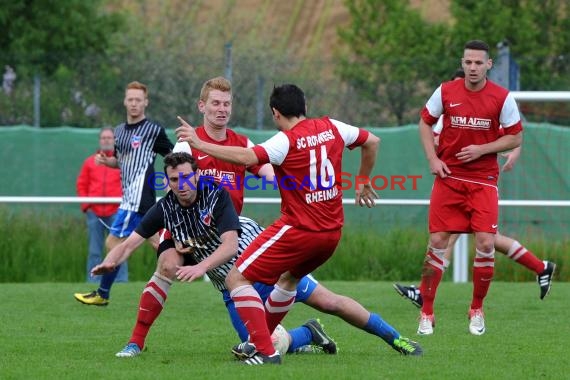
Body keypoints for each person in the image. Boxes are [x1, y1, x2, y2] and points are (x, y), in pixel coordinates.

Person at [91, 153, 422, 361]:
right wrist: (113, 261)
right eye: (174, 179)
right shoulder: (165, 208)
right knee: (265, 345)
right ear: (169, 181)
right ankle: (309, 334)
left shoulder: (215, 196)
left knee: (330, 302)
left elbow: (230, 247)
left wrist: (201, 267)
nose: (181, 184)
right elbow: (130, 241)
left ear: (196, 175)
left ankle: (397, 339)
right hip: (234, 289)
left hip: (269, 267)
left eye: (187, 177)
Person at [176, 84, 417, 365]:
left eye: (225, 103)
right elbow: (372, 140)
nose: (222, 109)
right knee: (307, 292)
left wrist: (202, 145)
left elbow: (252, 160)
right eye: (216, 103)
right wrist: (362, 179)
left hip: (294, 235)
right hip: (330, 234)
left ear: (276, 113)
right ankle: (396, 339)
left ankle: (266, 353)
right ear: (305, 107)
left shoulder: (282, 141)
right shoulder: (333, 127)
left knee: (237, 281)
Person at [394, 69, 555, 307]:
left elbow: (510, 136)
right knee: (474, 240)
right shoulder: (445, 112)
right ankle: (541, 267)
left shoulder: (483, 109)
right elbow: (434, 136)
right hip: (453, 183)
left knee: (460, 240)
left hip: (476, 185)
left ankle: (424, 294)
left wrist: (512, 152)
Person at [414, 40, 523, 336]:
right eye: (468, 62)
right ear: (462, 64)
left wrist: (481, 149)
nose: (472, 67)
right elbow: (425, 123)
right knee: (436, 243)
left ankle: (476, 308)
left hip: (483, 182)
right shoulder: (446, 90)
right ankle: (426, 311)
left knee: (486, 244)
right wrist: (432, 159)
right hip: (449, 179)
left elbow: (514, 138)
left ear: (489, 65)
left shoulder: (502, 98)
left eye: (478, 63)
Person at [74, 81, 174, 306]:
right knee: (158, 243)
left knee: (113, 243)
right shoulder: (119, 131)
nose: (134, 104)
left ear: (146, 102)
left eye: (139, 100)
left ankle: (102, 293)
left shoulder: (153, 130)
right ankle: (186, 265)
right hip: (129, 198)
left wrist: (172, 182)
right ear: (125, 101)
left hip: (138, 200)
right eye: (130, 99)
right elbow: (122, 162)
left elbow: (173, 156)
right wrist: (107, 161)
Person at [76, 127, 125, 282]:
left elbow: (129, 184)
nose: (106, 140)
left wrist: (124, 206)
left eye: (109, 138)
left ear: (114, 141)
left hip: (116, 212)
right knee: (94, 251)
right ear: (99, 140)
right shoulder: (89, 162)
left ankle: (120, 280)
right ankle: (93, 280)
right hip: (94, 213)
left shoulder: (122, 162)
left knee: (119, 248)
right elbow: (82, 184)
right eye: (103, 138)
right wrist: (86, 205)